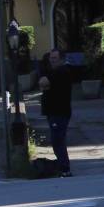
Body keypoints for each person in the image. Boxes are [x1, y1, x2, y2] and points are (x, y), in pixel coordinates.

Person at [38, 48, 77, 177]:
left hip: (59, 112)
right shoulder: (54, 72)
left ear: (61, 59)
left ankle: (65, 169)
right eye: (51, 58)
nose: (52, 61)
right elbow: (43, 84)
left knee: (58, 140)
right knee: (57, 140)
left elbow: (43, 82)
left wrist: (45, 82)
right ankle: (63, 168)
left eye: (54, 58)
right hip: (54, 112)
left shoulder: (62, 71)